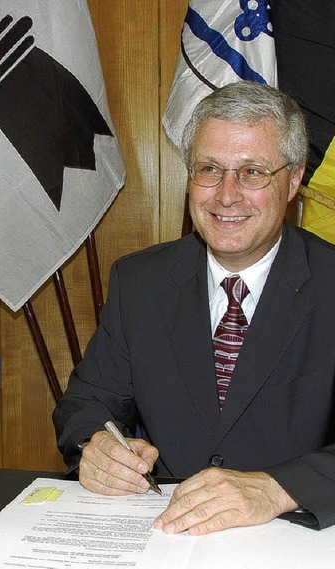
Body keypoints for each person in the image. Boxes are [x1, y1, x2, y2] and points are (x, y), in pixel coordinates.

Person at [54, 80, 335, 533]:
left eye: (252, 172)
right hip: (162, 534)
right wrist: (97, 445)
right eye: (209, 168)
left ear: (294, 180)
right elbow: (86, 403)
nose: (226, 195)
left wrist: (279, 488)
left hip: (294, 539)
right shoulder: (139, 281)